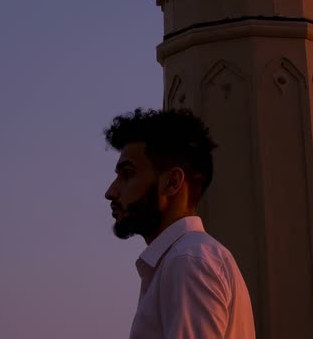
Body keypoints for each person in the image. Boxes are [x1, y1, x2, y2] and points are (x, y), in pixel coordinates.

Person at [103, 108, 255, 339]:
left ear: (172, 183)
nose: (111, 192)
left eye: (127, 174)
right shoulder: (184, 259)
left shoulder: (188, 260)